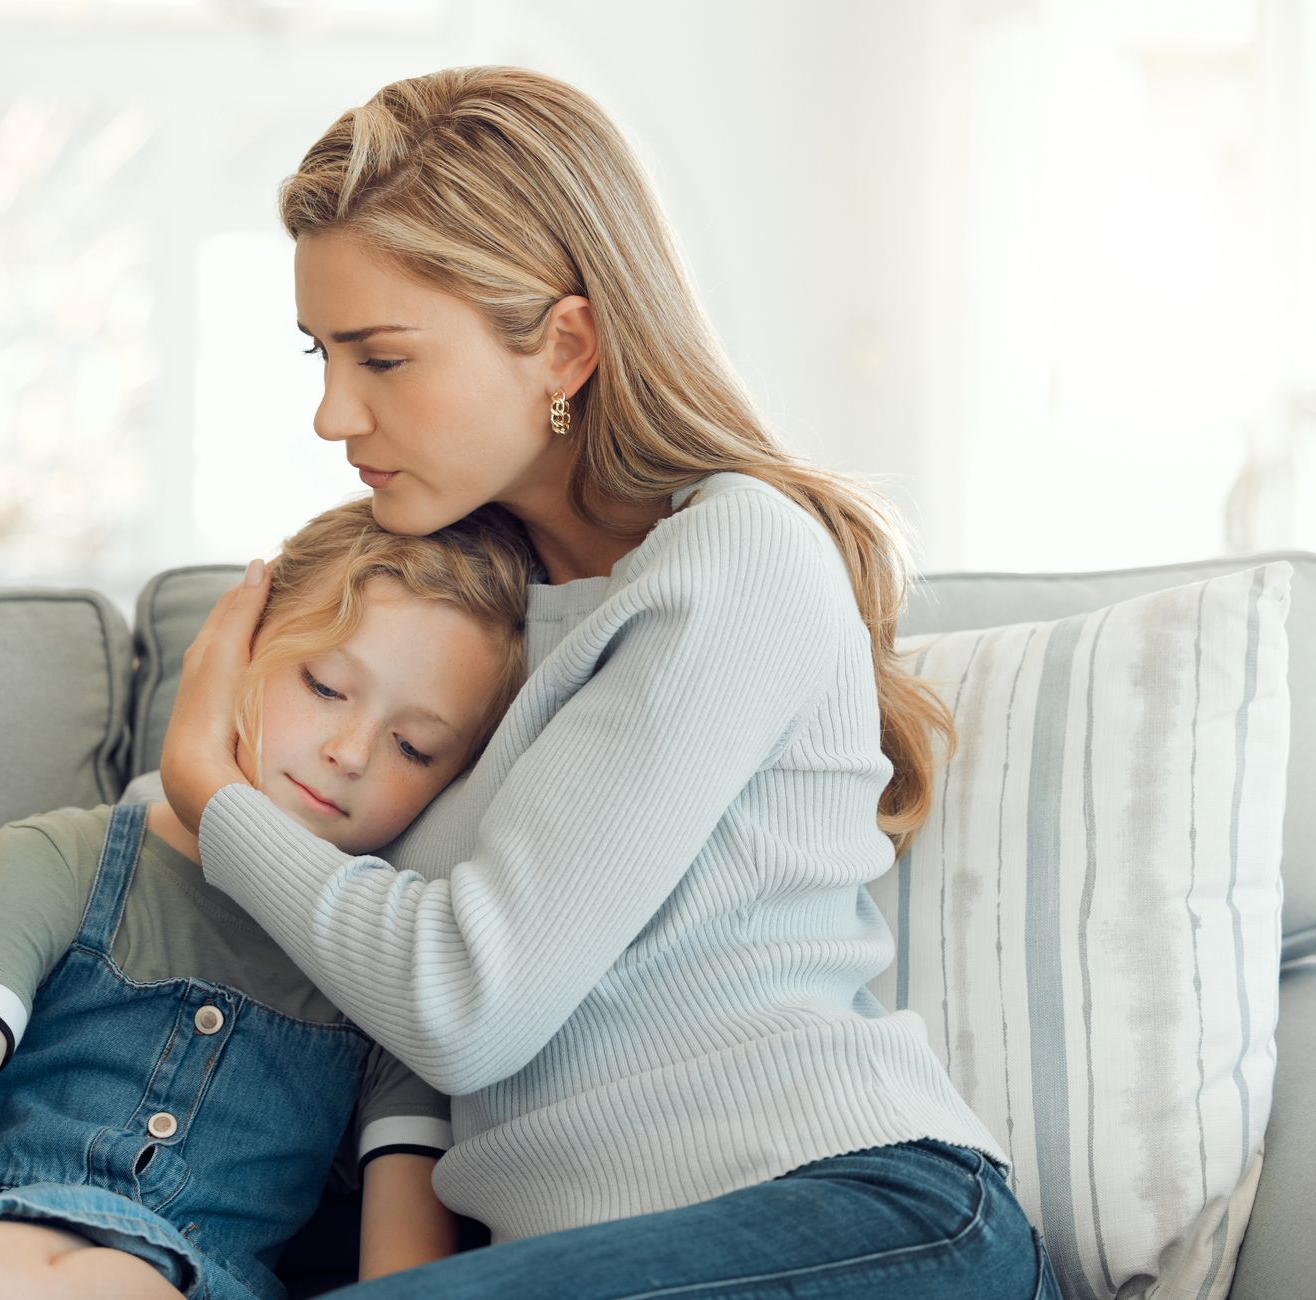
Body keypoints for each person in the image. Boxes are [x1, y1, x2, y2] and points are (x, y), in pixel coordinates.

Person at [156, 67, 1063, 1298]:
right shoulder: (470, 634)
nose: (330, 414)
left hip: (856, 1215)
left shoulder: (737, 552)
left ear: (565, 345)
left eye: (381, 358)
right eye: (322, 354)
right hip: (576, 1256)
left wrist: (213, 792)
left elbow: (464, 1000)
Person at [0, 498, 536, 1300]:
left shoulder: (395, 962)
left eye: (414, 746)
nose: (350, 752)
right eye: (327, 686)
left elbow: (404, 1266)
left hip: (177, 1285)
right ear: (234, 646)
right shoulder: (64, 860)